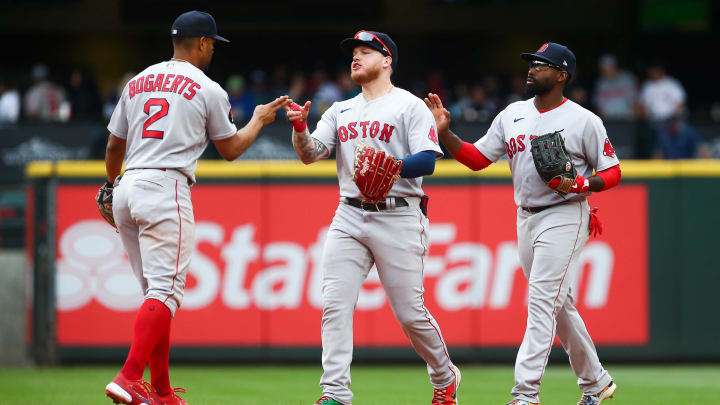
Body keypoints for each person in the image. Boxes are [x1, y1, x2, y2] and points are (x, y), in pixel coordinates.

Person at [101, 10, 290, 405]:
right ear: (203, 43)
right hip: (165, 186)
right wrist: (257, 119)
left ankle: (164, 393)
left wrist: (109, 183)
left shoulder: (137, 81)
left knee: (157, 294)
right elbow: (231, 149)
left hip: (127, 185)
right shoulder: (207, 88)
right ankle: (129, 376)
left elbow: (114, 145)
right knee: (166, 292)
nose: (212, 52)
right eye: (212, 45)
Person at [425, 42, 621, 405]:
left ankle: (525, 395)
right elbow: (479, 158)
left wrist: (583, 183)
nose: (532, 68)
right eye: (531, 63)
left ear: (562, 75)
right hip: (526, 218)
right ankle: (596, 382)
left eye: (542, 65)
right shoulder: (512, 114)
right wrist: (446, 134)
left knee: (541, 303)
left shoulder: (583, 119)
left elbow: (612, 171)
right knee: (558, 306)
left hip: (566, 214)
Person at [285, 30, 460, 405]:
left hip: (398, 214)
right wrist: (300, 128)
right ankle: (335, 393)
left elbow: (428, 158)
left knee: (410, 314)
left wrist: (393, 166)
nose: (356, 57)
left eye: (365, 51)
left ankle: (445, 374)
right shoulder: (340, 110)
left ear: (387, 61)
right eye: (353, 53)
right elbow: (311, 153)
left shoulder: (409, 106)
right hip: (348, 213)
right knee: (335, 303)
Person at [593, 54, 636, 121]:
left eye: (605, 69)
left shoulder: (627, 78)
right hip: (609, 121)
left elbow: (635, 101)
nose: (603, 72)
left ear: (612, 67)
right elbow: (599, 105)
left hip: (626, 119)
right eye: (601, 70)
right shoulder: (601, 83)